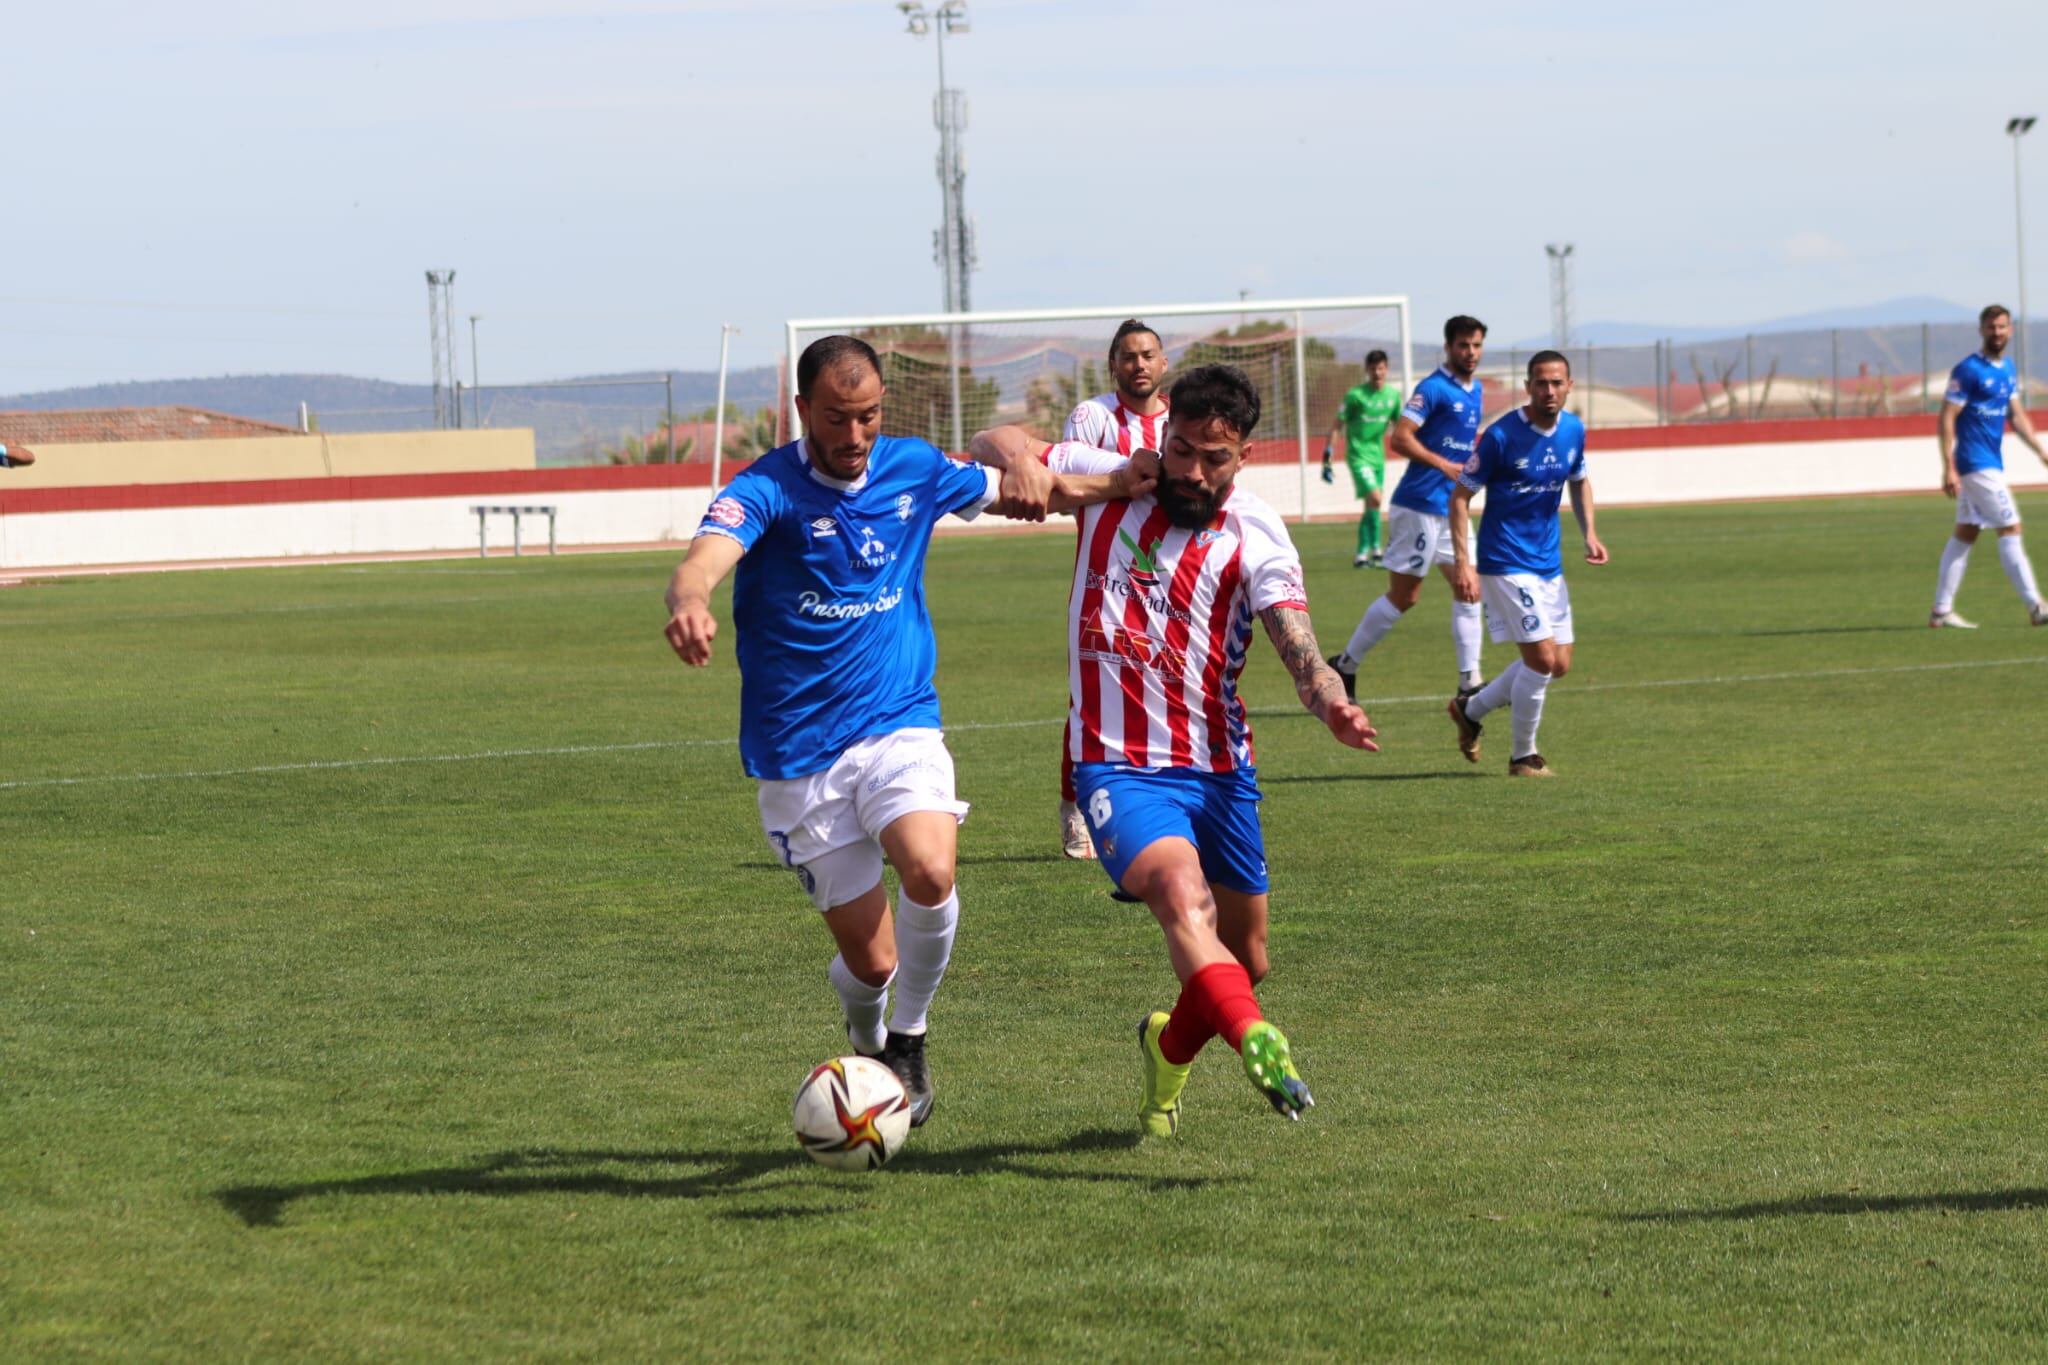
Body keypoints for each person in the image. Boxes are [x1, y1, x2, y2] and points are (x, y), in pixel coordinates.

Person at [663, 335, 1152, 1128]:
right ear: (801, 412)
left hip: (899, 723)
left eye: (867, 417)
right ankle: (867, 1033)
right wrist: (689, 600)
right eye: (835, 418)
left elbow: (1039, 487)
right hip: (799, 757)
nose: (853, 436)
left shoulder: (914, 467)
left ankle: (910, 1039)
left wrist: (1116, 483)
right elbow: (703, 558)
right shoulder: (766, 487)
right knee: (872, 960)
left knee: (929, 868)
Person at [974, 364, 1379, 1138]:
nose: (1192, 471)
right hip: (1117, 763)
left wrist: (1330, 700)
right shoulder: (1113, 477)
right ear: (1165, 434)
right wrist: (1023, 458)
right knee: (1180, 896)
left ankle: (1167, 1047)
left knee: (1246, 958)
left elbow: (1299, 646)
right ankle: (1257, 1038)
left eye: (1214, 459)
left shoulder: (1256, 531)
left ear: (1245, 457)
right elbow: (991, 441)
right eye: (1183, 449)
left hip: (1221, 769)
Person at [1445, 351, 1608, 777]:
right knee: (1542, 661)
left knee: (1561, 664)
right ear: (1528, 387)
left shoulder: (1573, 431)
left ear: (1569, 386)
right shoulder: (1500, 437)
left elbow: (1579, 479)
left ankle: (1470, 708)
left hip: (1548, 564)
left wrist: (1589, 532)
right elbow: (1460, 497)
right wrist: (1464, 562)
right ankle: (1524, 757)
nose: (1548, 391)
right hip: (1504, 561)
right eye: (1540, 383)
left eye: (1556, 383)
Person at [1055, 319, 1172, 859]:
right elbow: (1069, 481)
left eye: (1148, 355)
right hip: (1104, 579)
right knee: (1091, 698)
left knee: (1167, 688)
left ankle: (1158, 804)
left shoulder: (1180, 422)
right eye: (1128, 357)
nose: (1139, 364)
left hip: (1169, 582)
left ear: (1163, 362)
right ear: (1113, 366)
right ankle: (1075, 808)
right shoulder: (1094, 417)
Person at [1327, 316, 1490, 702]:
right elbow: (1400, 438)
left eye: (1477, 345)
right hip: (1418, 506)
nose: (1471, 353)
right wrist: (1442, 464)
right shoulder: (1432, 389)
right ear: (1449, 347)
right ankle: (1345, 665)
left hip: (1454, 507)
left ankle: (1470, 683)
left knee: (1469, 589)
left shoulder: (1476, 390)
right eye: (1464, 345)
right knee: (1405, 597)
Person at [1929, 304, 2048, 629]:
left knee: (1965, 534)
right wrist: (1948, 466)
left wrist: (2040, 450)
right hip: (1975, 464)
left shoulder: (2008, 369)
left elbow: (2017, 415)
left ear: (2011, 330)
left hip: (1989, 462)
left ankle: (1941, 610)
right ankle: (2036, 606)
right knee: (2010, 529)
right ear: (1981, 330)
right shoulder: (1968, 370)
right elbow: (1947, 417)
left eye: (2003, 327)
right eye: (1991, 327)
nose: (1997, 333)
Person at [1322, 349, 1401, 567]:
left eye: (1381, 368)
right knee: (1375, 498)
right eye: (1373, 368)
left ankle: (1364, 554)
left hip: (1378, 458)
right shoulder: (1355, 396)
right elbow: (1338, 426)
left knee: (1372, 505)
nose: (1377, 372)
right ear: (1367, 370)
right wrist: (1327, 456)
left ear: (1387, 369)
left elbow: (1399, 427)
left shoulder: (1393, 397)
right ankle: (1375, 548)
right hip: (1358, 456)